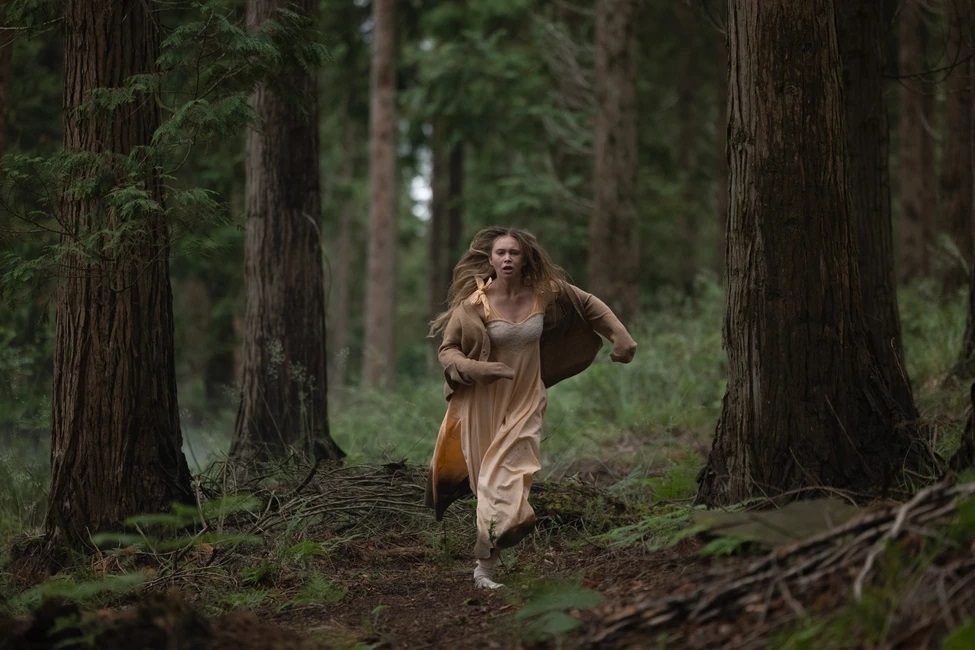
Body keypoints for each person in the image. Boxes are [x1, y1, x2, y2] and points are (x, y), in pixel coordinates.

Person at [424, 226, 638, 589]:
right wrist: (477, 368)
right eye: (501, 253)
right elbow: (448, 351)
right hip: (482, 404)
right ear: (490, 259)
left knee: (513, 470)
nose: (507, 259)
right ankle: (486, 567)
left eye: (514, 253)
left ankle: (496, 546)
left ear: (526, 258)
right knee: (487, 482)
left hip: (527, 397)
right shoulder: (474, 305)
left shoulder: (544, 292)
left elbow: (588, 303)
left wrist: (620, 336)